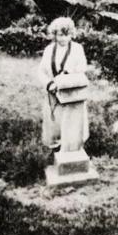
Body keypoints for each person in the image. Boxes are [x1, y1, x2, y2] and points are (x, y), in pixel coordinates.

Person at [38, 17, 89, 151]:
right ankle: (55, 147)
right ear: (54, 34)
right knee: (54, 122)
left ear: (71, 34)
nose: (63, 39)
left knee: (72, 126)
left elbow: (82, 69)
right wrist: (49, 84)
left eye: (67, 35)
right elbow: (41, 71)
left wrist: (64, 77)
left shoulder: (78, 49)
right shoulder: (49, 50)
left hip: (71, 94)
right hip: (53, 93)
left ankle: (72, 148)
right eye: (60, 35)